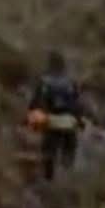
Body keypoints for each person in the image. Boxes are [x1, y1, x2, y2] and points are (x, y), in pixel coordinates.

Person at [28, 50, 85, 181]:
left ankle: (49, 180)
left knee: (49, 154)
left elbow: (35, 103)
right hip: (69, 122)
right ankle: (68, 179)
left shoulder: (44, 82)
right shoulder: (70, 82)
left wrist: (31, 120)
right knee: (69, 153)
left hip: (50, 121)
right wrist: (80, 120)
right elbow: (78, 104)